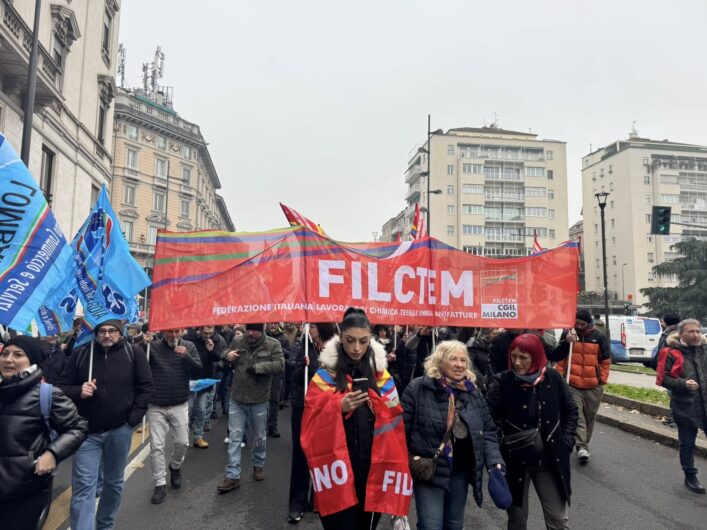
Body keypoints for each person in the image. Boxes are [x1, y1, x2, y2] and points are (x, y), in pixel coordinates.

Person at [301, 308, 411, 530]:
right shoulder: (325, 375)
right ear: (341, 337)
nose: (357, 348)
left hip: (373, 467)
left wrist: (376, 405)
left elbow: (395, 418)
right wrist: (338, 407)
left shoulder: (382, 375)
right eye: (350, 341)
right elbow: (309, 424)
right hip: (338, 468)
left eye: (363, 341)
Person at [59, 319, 154, 530]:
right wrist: (78, 391)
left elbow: (146, 386)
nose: (107, 335)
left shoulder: (133, 353)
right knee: (84, 486)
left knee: (113, 483)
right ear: (96, 334)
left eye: (112, 331)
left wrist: (133, 419)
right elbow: (62, 387)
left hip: (119, 430)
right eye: (102, 331)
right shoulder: (81, 354)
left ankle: (105, 525)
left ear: (120, 333)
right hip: (86, 433)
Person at [402, 340, 505, 530]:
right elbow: (401, 431)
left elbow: (488, 430)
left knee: (454, 525)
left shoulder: (473, 393)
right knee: (430, 525)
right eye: (453, 359)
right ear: (440, 361)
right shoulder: (417, 388)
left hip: (460, 472)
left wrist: (495, 462)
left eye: (463, 360)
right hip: (428, 472)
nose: (460, 364)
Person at [487, 333, 578, 530]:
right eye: (514, 357)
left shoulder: (553, 379)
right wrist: (499, 445)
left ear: (536, 357)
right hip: (515, 460)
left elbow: (571, 411)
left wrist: (567, 443)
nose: (517, 362)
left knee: (558, 520)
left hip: (549, 460)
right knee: (518, 521)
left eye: (523, 358)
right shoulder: (503, 382)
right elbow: (489, 418)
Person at [0, 336, 88, 530]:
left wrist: (52, 453)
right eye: (5, 354)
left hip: (25, 491)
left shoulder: (47, 394)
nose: (8, 359)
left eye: (17, 354)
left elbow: (78, 427)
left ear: (30, 360)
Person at [217, 323, 285, 493]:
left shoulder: (272, 344)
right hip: (237, 397)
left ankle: (258, 464)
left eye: (255, 330)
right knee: (235, 437)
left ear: (261, 330)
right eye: (249, 329)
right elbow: (224, 356)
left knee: (260, 437)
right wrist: (227, 356)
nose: (251, 333)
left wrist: (258, 368)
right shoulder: (238, 341)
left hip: (259, 399)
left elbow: (279, 365)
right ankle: (232, 475)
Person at [287, 322, 337, 524]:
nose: (310, 328)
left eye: (314, 325)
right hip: (303, 407)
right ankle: (297, 503)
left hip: (325, 408)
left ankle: (318, 499)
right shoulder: (302, 346)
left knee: (324, 453)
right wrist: (302, 367)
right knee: (301, 454)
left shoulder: (335, 348)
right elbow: (293, 377)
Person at [146, 328, 202, 504]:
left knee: (182, 442)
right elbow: (139, 364)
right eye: (169, 332)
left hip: (179, 403)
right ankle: (159, 483)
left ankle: (175, 466)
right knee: (156, 446)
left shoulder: (189, 346)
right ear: (163, 332)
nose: (173, 335)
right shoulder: (153, 346)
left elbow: (198, 372)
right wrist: (142, 344)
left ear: (182, 331)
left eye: (176, 331)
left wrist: (187, 357)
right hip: (156, 405)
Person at [551, 309, 610, 465]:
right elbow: (561, 358)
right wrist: (561, 378)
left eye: (582, 324)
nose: (578, 326)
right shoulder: (569, 334)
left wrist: (601, 380)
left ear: (588, 323)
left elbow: (605, 360)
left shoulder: (599, 337)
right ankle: (582, 446)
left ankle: (584, 444)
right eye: (576, 323)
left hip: (593, 385)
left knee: (590, 416)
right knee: (577, 415)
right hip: (573, 384)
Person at [657, 318, 707, 494]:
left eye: (698, 331)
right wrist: (684, 383)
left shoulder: (704, 350)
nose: (695, 335)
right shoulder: (671, 352)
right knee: (687, 444)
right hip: (685, 405)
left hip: (705, 403)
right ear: (681, 334)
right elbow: (663, 379)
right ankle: (690, 476)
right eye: (691, 331)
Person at [186, 325, 226, 447]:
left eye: (210, 333)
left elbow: (218, 358)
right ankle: (184, 436)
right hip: (191, 378)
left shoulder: (216, 340)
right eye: (205, 333)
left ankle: (198, 436)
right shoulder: (191, 339)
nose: (207, 335)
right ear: (200, 331)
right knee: (188, 408)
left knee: (201, 410)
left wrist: (211, 350)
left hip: (205, 379)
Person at [265, 322, 291, 437]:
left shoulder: (283, 337)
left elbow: (289, 354)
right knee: (262, 400)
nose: (273, 325)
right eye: (271, 323)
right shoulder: (263, 336)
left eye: (275, 324)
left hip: (277, 373)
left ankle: (272, 426)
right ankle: (261, 426)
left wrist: (279, 347)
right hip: (264, 371)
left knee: (274, 400)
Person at [490, 329, 556, 375]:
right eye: (513, 356)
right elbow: (493, 365)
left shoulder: (535, 338)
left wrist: (565, 343)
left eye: (523, 357)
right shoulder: (499, 339)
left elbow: (553, 355)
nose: (517, 363)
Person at [466, 328, 499, 394]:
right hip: (478, 384)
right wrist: (481, 380)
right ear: (485, 334)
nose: (497, 336)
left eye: (498, 333)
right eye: (494, 334)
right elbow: (470, 364)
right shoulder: (473, 344)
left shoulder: (498, 345)